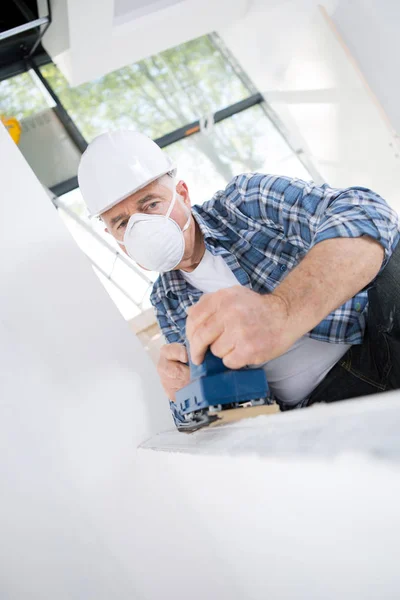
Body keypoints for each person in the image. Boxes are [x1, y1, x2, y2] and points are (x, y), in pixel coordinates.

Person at [78, 130, 400, 415]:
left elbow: (368, 212)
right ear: (116, 240)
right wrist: (183, 396)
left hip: (375, 343)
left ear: (183, 194)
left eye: (150, 205)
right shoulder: (167, 302)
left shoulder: (244, 203)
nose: (141, 228)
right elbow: (222, 409)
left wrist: (282, 312)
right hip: (314, 410)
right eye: (122, 223)